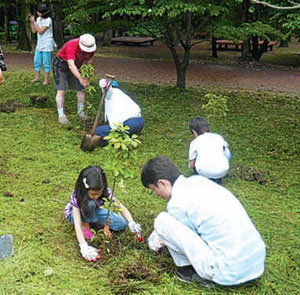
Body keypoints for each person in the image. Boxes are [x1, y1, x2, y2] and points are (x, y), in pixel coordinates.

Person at [141, 156, 266, 286]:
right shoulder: (199, 181)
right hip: (255, 264)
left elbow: (186, 236)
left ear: (162, 183)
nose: (156, 194)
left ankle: (186, 271)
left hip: (227, 271)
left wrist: (155, 242)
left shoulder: (177, 203)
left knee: (162, 221)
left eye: (154, 190)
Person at [64, 165, 143, 262]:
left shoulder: (105, 191)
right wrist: (83, 246)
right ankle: (86, 227)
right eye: (93, 194)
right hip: (77, 215)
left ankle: (94, 221)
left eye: (99, 193)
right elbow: (77, 222)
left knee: (121, 224)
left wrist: (131, 222)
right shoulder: (78, 194)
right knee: (90, 203)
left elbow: (120, 206)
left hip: (94, 211)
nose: (96, 196)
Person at [52, 33, 96, 124]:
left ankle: (81, 112)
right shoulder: (72, 44)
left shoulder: (91, 45)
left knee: (81, 89)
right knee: (61, 90)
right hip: (60, 64)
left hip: (76, 65)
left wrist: (85, 77)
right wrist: (80, 78)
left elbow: (89, 61)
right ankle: (61, 115)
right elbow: (71, 65)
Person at [188, 116, 231, 184]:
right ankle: (218, 174)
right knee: (226, 150)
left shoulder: (194, 142)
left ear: (194, 131)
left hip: (203, 172)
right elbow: (227, 145)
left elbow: (191, 165)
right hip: (222, 171)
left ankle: (203, 179)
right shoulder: (218, 137)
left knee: (195, 157)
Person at [29, 4, 55, 85]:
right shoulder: (39, 19)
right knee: (36, 61)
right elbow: (34, 30)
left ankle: (46, 80)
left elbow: (40, 31)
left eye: (39, 12)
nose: (37, 13)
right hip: (40, 44)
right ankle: (37, 78)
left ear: (44, 13)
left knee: (46, 63)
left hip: (47, 44)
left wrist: (34, 22)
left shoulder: (48, 20)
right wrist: (32, 22)